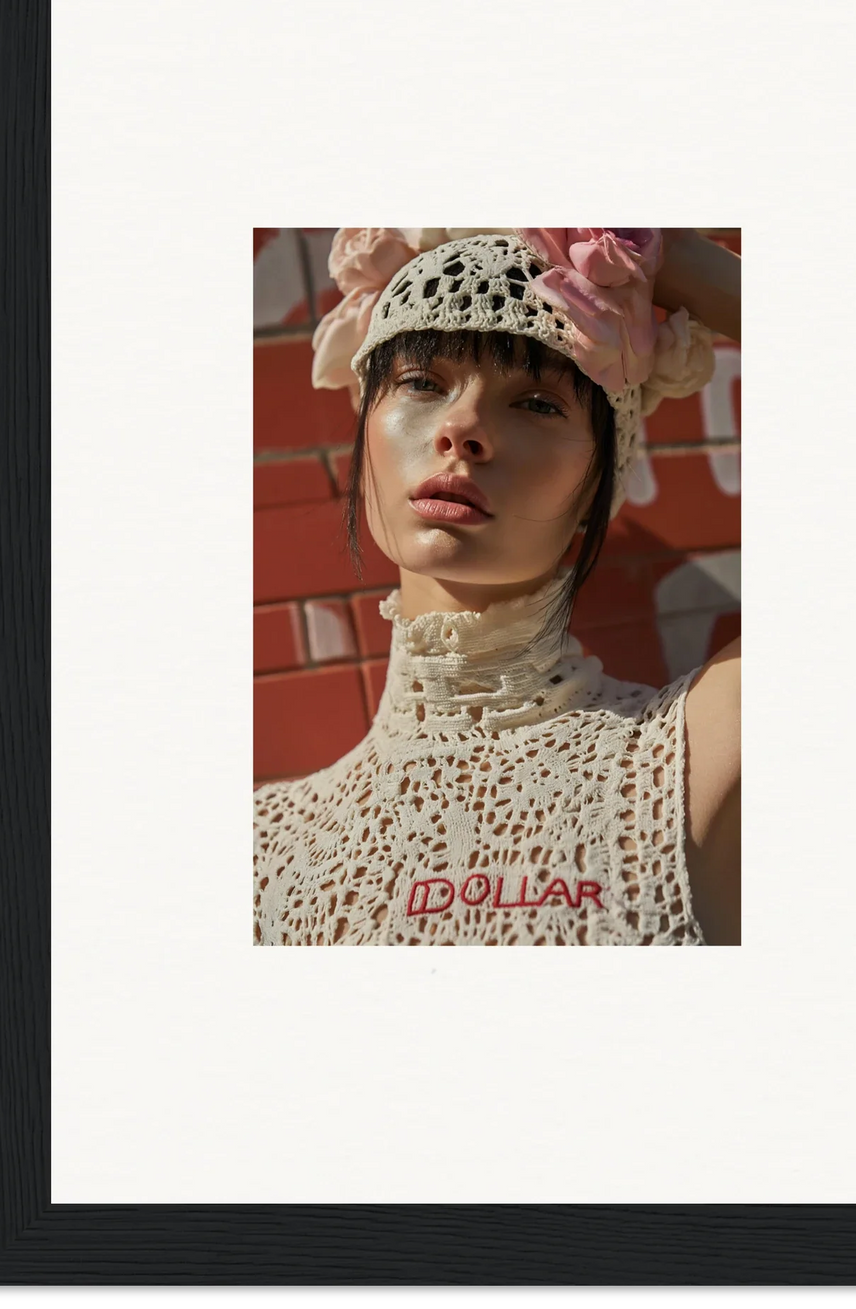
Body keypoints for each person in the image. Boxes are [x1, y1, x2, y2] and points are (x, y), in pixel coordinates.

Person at [253, 229, 742, 946]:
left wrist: (654, 250)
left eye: (539, 402)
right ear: (364, 442)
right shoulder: (263, 849)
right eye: (421, 382)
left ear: (596, 486)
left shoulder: (691, 758)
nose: (462, 427)